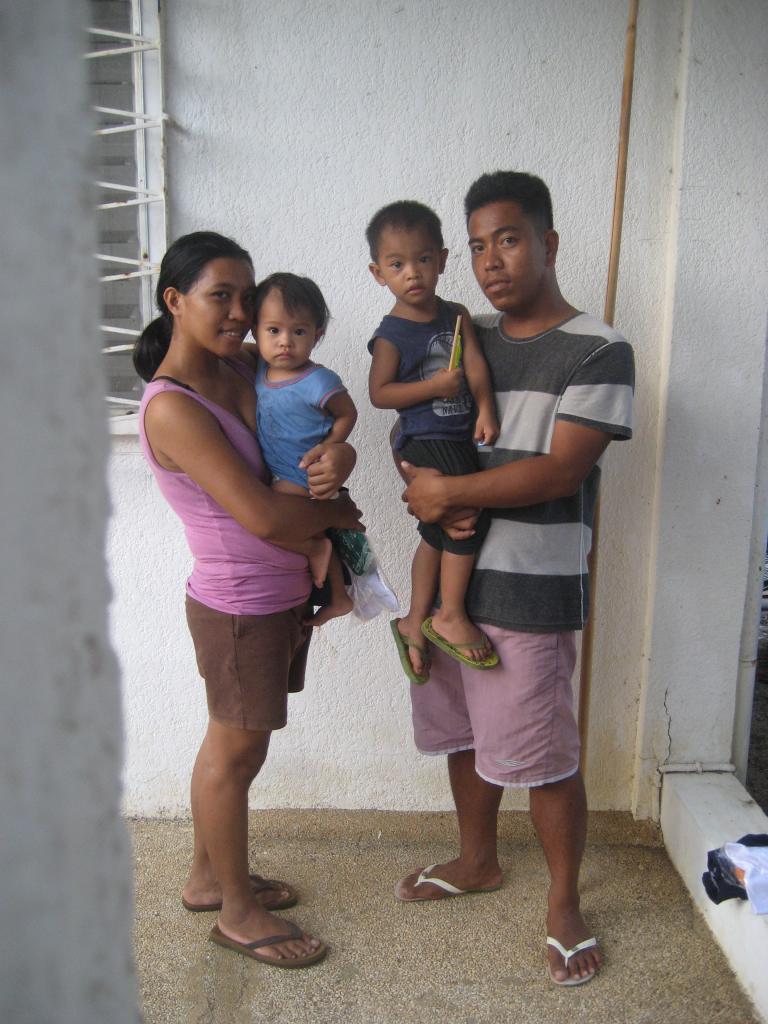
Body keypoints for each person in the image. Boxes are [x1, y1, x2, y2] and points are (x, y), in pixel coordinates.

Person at [395, 172, 635, 987]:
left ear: (548, 243)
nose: (491, 261)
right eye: (476, 246)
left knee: (545, 755)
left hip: (531, 591)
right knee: (464, 735)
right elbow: (418, 423)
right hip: (448, 590)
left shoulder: (600, 350)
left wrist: (446, 491)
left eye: (508, 239)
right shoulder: (466, 338)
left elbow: (559, 470)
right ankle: (477, 860)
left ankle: (564, 902)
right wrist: (398, 466)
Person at [134, 231, 362, 967]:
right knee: (235, 752)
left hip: (274, 594)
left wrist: (342, 454)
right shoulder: (171, 406)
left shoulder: (244, 367)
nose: (239, 311)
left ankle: (210, 876)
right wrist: (338, 517)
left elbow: (309, 436)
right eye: (219, 295)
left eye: (245, 294)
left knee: (238, 743)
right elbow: (263, 515)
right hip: (239, 603)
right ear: (176, 301)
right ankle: (235, 912)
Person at [366, 200, 500, 683]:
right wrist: (433, 388)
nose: (412, 273)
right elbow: (380, 394)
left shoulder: (457, 314)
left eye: (423, 260)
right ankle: (451, 616)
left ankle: (414, 622)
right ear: (378, 273)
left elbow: (477, 367)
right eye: (397, 265)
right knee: (465, 522)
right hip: (425, 438)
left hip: (460, 435)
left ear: (442, 260)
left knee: (437, 534)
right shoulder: (391, 334)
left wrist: (484, 407)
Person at [251, 272, 357, 626]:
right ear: (255, 331)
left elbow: (347, 413)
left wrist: (330, 448)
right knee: (316, 528)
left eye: (298, 332)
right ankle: (339, 596)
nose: (285, 342)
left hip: (305, 472)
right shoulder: (260, 372)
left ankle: (315, 550)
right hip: (282, 468)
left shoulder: (318, 380)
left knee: (263, 518)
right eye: (274, 330)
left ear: (317, 336)